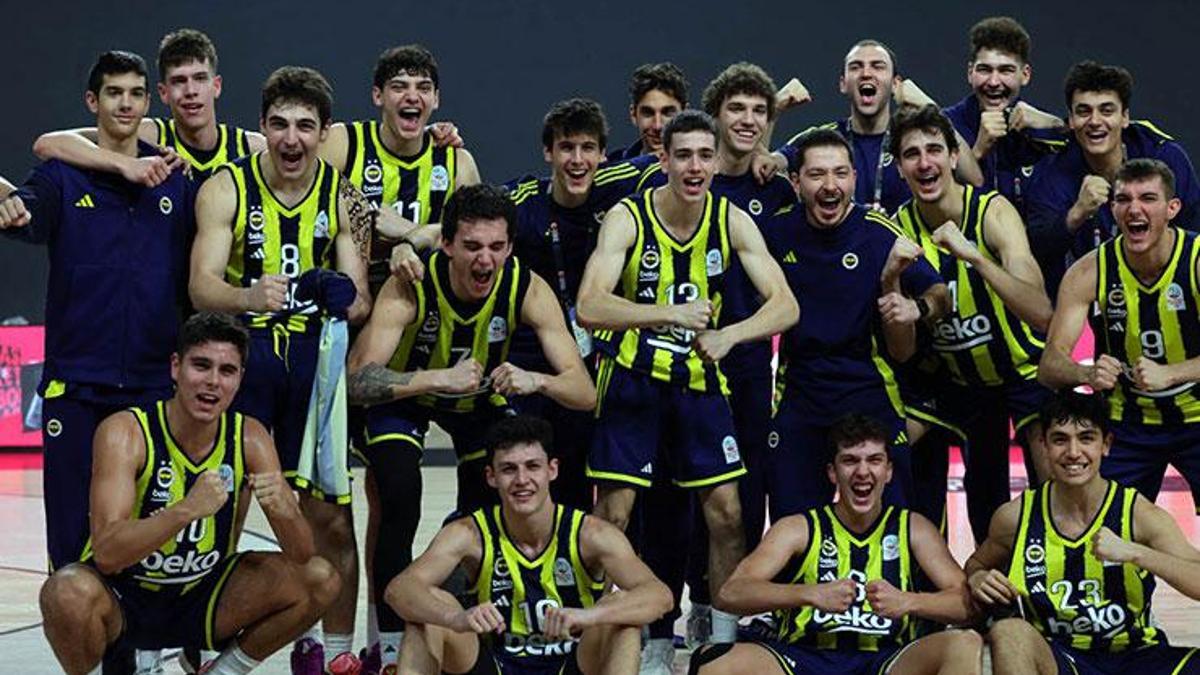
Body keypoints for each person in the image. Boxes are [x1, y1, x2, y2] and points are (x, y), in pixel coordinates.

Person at [347, 182, 596, 665]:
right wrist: (437, 378)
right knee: (399, 491)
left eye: (497, 247)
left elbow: (583, 392)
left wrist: (536, 381)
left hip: (476, 400)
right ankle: (390, 645)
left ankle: (473, 622)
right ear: (446, 243)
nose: (486, 260)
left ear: (510, 246)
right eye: (473, 247)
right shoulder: (413, 281)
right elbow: (358, 379)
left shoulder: (526, 286)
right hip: (407, 394)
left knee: (491, 502)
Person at [576, 109, 798, 646]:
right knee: (614, 516)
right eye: (683, 156)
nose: (695, 167)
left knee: (727, 514)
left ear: (716, 161)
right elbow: (589, 305)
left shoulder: (731, 220)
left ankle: (721, 641)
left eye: (704, 155)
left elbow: (786, 305)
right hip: (632, 379)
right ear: (664, 160)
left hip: (700, 383)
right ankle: (597, 638)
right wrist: (666, 314)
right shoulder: (628, 217)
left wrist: (731, 335)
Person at [189, 65, 371, 671]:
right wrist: (248, 295)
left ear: (324, 132)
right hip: (245, 365)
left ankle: (335, 654)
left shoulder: (344, 194)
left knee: (331, 520)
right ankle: (200, 645)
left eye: (305, 126)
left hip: (315, 371)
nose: (292, 138)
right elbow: (200, 286)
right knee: (223, 508)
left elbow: (360, 298)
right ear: (262, 127)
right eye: (279, 124)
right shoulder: (226, 188)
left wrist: (337, 292)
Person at [37, 312, 341, 675]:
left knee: (321, 578)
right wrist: (186, 510)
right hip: (124, 595)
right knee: (64, 592)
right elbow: (106, 554)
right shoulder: (126, 432)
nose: (212, 382)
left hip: (202, 596)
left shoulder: (250, 436)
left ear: (240, 379)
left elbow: (302, 556)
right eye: (201, 365)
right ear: (175, 367)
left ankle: (222, 671)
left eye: (227, 371)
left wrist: (287, 512)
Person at [0, 51, 194, 576]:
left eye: (135, 93)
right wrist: (5, 201)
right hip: (77, 385)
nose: (125, 104)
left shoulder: (175, 181)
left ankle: (136, 633)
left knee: (144, 537)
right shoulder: (61, 178)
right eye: (114, 93)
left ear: (148, 102)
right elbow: (22, 210)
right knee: (70, 543)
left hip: (152, 387)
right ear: (93, 101)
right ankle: (73, 623)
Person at [633, 63, 800, 664]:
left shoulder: (774, 187)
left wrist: (731, 336)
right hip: (669, 370)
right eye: (737, 110)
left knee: (736, 506)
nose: (748, 121)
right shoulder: (659, 189)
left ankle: (718, 622)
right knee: (667, 504)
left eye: (759, 111)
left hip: (743, 369)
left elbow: (786, 298)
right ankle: (659, 628)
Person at [690, 413, 982, 675]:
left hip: (887, 661)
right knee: (716, 662)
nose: (863, 472)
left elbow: (967, 605)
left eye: (874, 460)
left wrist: (909, 601)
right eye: (850, 460)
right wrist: (808, 594)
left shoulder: (914, 528)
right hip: (804, 658)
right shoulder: (799, 528)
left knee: (964, 644)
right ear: (833, 472)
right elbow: (732, 592)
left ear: (889, 471)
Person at [386, 415, 672, 674]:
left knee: (622, 616)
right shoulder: (469, 533)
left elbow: (660, 596)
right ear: (491, 477)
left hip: (573, 664)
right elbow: (399, 590)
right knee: (428, 612)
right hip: (494, 666)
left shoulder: (591, 534)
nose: (522, 480)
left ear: (552, 470)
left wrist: (590, 616)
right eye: (508, 469)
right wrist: (455, 618)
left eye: (532, 466)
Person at [890, 105, 1054, 543]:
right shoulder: (896, 229)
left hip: (1022, 372)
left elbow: (1041, 312)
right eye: (911, 154)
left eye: (933, 150)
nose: (924, 162)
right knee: (973, 499)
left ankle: (1057, 578)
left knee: (1052, 477)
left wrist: (976, 258)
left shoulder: (993, 212)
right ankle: (936, 581)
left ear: (952, 157)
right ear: (899, 167)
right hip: (956, 382)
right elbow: (901, 347)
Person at [767, 128, 947, 519]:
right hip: (800, 392)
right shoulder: (776, 232)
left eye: (840, 173)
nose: (830, 186)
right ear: (795, 182)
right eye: (817, 175)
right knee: (791, 520)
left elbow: (939, 292)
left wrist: (917, 308)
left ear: (854, 178)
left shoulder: (879, 233)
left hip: (868, 389)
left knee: (893, 524)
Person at [966, 390, 1200, 674]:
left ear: (1106, 445)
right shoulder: (1015, 518)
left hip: (1138, 657)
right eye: (1060, 440)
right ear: (1043, 446)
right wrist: (977, 577)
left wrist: (1138, 554)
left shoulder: (1140, 515)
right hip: (1062, 659)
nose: (1073, 452)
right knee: (1008, 632)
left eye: (1086, 438)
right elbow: (976, 564)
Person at [504, 98, 659, 511]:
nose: (577, 160)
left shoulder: (622, 187)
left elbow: (696, 153)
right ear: (548, 153)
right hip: (534, 356)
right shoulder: (522, 202)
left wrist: (775, 142)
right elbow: (464, 221)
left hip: (597, 359)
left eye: (587, 148)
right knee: (527, 472)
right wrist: (411, 238)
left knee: (577, 480)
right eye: (566, 148)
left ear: (603, 154)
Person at [1039, 158, 1200, 510]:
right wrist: (1086, 374)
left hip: (1198, 415)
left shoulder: (1196, 260)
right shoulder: (1089, 270)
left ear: (1172, 208)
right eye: (1123, 199)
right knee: (1107, 528)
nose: (1134, 209)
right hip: (1127, 425)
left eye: (1148, 198)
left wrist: (1171, 373)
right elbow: (1049, 366)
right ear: (1112, 209)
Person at [1025, 60, 1200, 298]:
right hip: (1093, 298)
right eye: (1083, 111)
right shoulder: (1053, 171)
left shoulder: (1165, 156)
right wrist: (1076, 214)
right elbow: (1036, 252)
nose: (1095, 121)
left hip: (1167, 289)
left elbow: (1193, 232)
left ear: (1125, 117)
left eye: (1106, 111)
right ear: (1071, 120)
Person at [320, 44, 480, 294]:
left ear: (436, 99)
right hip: (350, 296)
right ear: (378, 96)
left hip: (423, 296)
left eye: (423, 88)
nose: (412, 97)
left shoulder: (457, 164)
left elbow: (478, 242)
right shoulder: (343, 144)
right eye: (399, 86)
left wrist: (407, 230)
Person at [33, 28, 261, 183]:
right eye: (179, 81)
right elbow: (47, 144)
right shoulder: (151, 136)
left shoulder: (250, 148)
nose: (191, 91)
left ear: (217, 86)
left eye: (200, 79)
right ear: (163, 93)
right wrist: (126, 164)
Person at [943, 16, 1067, 209]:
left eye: (1005, 70)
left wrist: (1055, 124)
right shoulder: (946, 125)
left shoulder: (1043, 127)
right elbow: (936, 195)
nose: (994, 82)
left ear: (1025, 75)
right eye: (984, 70)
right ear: (970, 73)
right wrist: (977, 152)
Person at [609, 62, 688, 161]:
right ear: (633, 115)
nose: (658, 126)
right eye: (648, 113)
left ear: (685, 115)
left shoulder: (703, 167)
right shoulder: (612, 165)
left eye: (667, 113)